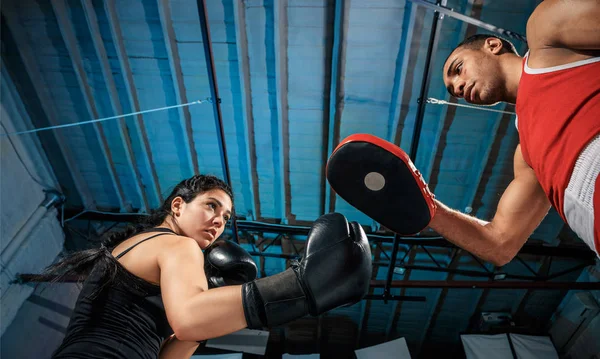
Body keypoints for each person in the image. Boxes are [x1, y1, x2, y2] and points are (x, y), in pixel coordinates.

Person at [32, 174, 372, 359]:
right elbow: (190, 318)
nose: (218, 222)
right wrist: (300, 286)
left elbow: (182, 338)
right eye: (211, 206)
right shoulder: (175, 244)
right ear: (178, 206)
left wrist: (215, 297)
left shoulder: (145, 251)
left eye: (225, 218)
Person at [434, 0, 600, 264]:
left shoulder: (546, 32)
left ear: (492, 45)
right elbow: (499, 243)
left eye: (458, 69)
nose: (459, 87)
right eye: (455, 91)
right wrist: (429, 208)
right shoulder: (526, 156)